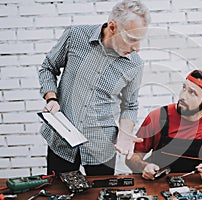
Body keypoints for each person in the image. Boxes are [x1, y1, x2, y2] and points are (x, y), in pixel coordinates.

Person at [38, 0, 150, 176]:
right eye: (131, 39)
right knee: (57, 193)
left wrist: (125, 132)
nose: (137, 48)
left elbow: (130, 106)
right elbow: (48, 68)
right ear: (112, 27)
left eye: (139, 40)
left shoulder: (135, 65)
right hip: (62, 141)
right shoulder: (75, 36)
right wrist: (51, 98)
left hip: (102, 148)